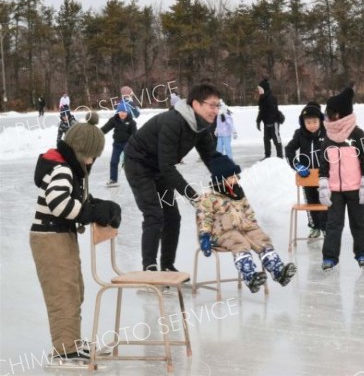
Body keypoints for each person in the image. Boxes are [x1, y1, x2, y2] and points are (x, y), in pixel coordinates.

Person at [30, 111, 121, 365]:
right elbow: (59, 204)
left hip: (59, 236)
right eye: (92, 156)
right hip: (49, 238)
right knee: (62, 293)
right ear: (81, 152)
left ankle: (71, 342)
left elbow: (76, 201)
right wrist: (88, 212)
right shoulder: (62, 170)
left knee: (74, 289)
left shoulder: (68, 169)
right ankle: (64, 350)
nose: (92, 161)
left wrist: (100, 207)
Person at [124, 83, 222, 272]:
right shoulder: (173, 121)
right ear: (196, 104)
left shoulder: (200, 126)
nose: (215, 110)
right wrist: (193, 197)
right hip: (139, 165)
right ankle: (149, 269)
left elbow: (211, 158)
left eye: (218, 105)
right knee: (154, 214)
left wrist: (227, 178)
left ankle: (167, 266)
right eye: (212, 105)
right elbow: (167, 167)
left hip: (160, 168)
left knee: (172, 216)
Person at [197, 155, 297, 292]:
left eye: (236, 176)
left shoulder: (238, 192)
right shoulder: (209, 197)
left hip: (245, 227)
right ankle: (250, 276)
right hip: (223, 232)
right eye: (232, 177)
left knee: (261, 239)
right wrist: (204, 236)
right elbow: (204, 218)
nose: (236, 179)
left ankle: (278, 271)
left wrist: (253, 223)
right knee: (240, 243)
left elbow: (248, 211)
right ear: (221, 179)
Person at [318, 86, 364, 270]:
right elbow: (324, 163)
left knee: (359, 223)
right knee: (333, 225)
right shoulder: (328, 138)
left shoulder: (358, 135)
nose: (328, 117)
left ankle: (363, 253)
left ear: (340, 114)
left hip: (356, 189)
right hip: (335, 192)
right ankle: (330, 257)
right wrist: (323, 182)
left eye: (331, 113)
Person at [284, 101, 328, 239]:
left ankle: (325, 227)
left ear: (320, 120)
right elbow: (289, 149)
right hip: (307, 176)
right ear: (303, 123)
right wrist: (297, 165)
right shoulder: (300, 134)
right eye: (308, 122)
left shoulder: (326, 133)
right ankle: (314, 226)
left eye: (314, 122)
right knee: (311, 202)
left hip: (324, 175)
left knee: (325, 201)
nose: (312, 125)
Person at [101, 105, 137, 187]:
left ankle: (136, 178)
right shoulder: (114, 120)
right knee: (113, 162)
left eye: (124, 112)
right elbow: (105, 128)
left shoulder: (131, 122)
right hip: (117, 144)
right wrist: (97, 133)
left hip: (127, 144)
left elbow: (135, 134)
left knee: (130, 162)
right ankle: (113, 179)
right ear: (118, 112)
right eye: (121, 112)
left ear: (127, 112)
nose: (122, 114)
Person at [256, 78, 283, 159]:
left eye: (260, 89)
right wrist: (258, 121)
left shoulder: (271, 98)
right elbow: (261, 111)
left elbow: (274, 111)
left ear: (264, 89)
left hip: (274, 122)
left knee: (276, 139)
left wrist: (272, 122)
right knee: (266, 140)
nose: (259, 91)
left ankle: (280, 156)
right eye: (258, 89)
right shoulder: (262, 98)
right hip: (266, 123)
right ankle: (267, 155)